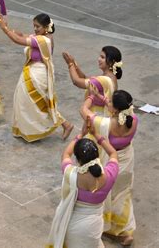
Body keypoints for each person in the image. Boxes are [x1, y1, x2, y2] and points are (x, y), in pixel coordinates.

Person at [0, 13, 73, 142]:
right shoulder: (41, 36)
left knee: (36, 103)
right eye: (34, 26)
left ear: (45, 27)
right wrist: (8, 27)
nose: (35, 29)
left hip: (38, 74)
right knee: (34, 102)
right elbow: (21, 35)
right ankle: (65, 124)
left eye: (37, 26)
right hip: (33, 71)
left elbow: (18, 40)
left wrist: (4, 29)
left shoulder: (44, 40)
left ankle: (62, 125)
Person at [46, 124, 119, 248]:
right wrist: (97, 135)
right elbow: (113, 153)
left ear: (78, 159)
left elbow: (65, 155)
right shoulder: (110, 174)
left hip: (72, 225)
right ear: (97, 155)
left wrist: (80, 135)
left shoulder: (71, 174)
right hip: (93, 227)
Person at [80, 90, 137, 246]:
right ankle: (125, 232)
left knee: (108, 195)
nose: (109, 104)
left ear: (116, 109)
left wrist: (91, 97)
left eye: (111, 102)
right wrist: (103, 98)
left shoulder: (106, 124)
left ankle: (107, 227)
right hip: (127, 161)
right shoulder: (133, 119)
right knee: (123, 195)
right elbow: (117, 111)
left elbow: (84, 112)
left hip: (112, 162)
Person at [63, 46, 122, 115]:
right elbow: (85, 78)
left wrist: (70, 64)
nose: (99, 59)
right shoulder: (111, 76)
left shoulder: (104, 79)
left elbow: (76, 81)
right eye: (100, 56)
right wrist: (74, 64)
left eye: (102, 57)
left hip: (99, 118)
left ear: (111, 62)